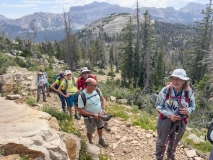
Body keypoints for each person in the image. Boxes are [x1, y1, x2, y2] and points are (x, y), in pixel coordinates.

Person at [155, 69, 196, 160]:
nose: (175, 81)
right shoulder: (166, 90)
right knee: (162, 141)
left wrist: (188, 110)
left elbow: (193, 106)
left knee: (174, 142)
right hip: (165, 120)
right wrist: (170, 115)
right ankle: (159, 157)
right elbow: (158, 105)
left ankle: (170, 157)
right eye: (174, 78)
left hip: (181, 122)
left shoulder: (189, 92)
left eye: (179, 79)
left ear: (184, 81)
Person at [77, 67, 111, 132]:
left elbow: (96, 87)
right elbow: (78, 88)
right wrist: (81, 94)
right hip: (85, 97)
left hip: (94, 96)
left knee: (102, 114)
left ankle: (105, 124)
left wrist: (103, 108)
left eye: (87, 72)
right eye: (84, 73)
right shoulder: (80, 80)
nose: (86, 74)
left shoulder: (93, 78)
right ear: (82, 74)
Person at [78, 78, 108, 147]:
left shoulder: (97, 90)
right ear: (88, 86)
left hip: (100, 114)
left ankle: (101, 139)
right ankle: (90, 142)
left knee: (100, 127)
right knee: (90, 130)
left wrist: (103, 109)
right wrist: (92, 114)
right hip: (89, 118)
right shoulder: (82, 95)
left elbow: (103, 99)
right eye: (95, 85)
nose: (96, 86)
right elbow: (80, 110)